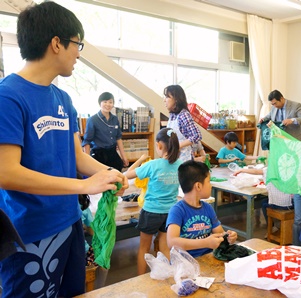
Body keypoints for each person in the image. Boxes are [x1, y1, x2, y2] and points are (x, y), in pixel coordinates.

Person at [0, 2, 128, 297]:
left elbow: (77, 156)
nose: (79, 54)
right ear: (56, 43)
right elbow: (6, 173)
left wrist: (109, 173)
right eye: (77, 44)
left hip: (69, 222)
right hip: (31, 230)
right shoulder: (8, 97)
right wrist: (84, 185)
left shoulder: (63, 99)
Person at [125, 127, 182, 275]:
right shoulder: (180, 165)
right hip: (170, 212)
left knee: (144, 248)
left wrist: (139, 161)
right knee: (164, 247)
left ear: (159, 145)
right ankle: (172, 275)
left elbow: (127, 175)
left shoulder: (152, 165)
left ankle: (140, 279)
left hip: (151, 211)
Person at [166, 160, 238, 258]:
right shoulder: (177, 210)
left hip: (208, 259)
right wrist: (205, 243)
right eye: (208, 181)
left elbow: (220, 233)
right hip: (186, 263)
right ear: (198, 186)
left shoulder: (208, 208)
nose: (211, 185)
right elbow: (172, 242)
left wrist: (229, 236)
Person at [233, 166, 293, 238]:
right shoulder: (288, 168)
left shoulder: (269, 169)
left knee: (264, 203)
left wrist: (242, 170)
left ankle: (271, 227)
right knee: (267, 199)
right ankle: (277, 225)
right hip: (293, 202)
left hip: (284, 205)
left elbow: (256, 171)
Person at [82, 92, 129, 172]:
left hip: (113, 153)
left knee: (117, 177)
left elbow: (118, 138)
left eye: (110, 102)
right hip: (99, 155)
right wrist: (87, 161)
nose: (108, 104)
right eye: (105, 102)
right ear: (100, 103)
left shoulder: (115, 119)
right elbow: (87, 141)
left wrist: (123, 156)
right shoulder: (93, 120)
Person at [164, 85, 202, 162]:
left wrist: (178, 145)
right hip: (174, 156)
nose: (164, 100)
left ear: (176, 99)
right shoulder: (172, 115)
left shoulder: (184, 114)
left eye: (167, 97)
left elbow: (197, 135)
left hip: (184, 158)